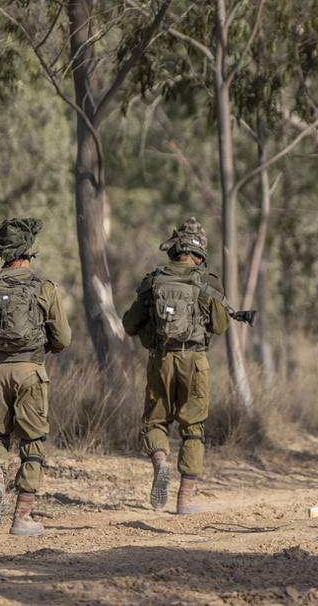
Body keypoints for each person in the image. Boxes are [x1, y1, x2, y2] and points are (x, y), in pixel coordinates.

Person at [0, 217, 71, 537]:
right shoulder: (43, 287)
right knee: (32, 442)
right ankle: (21, 519)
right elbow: (62, 339)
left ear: (2, 253)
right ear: (28, 253)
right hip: (30, 372)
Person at [121, 218, 229, 514]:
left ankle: (160, 462)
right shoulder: (208, 282)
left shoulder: (154, 279)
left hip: (160, 359)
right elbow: (220, 325)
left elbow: (130, 324)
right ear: (200, 253)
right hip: (194, 361)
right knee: (193, 427)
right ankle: (185, 499)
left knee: (155, 422)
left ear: (175, 249)